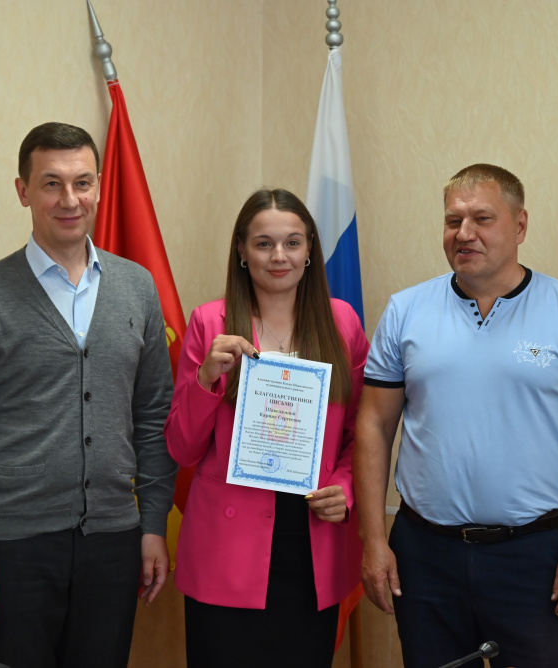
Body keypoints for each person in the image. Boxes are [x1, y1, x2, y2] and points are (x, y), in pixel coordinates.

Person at [354, 164, 558, 668]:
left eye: (482, 218)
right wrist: (373, 540)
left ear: (520, 225)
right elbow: (374, 425)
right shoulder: (405, 311)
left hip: (535, 558)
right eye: (452, 220)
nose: (464, 233)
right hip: (424, 553)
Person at [0, 122, 177, 668]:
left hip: (114, 541)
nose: (70, 199)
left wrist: (153, 525)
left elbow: (152, 415)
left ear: (98, 187)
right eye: (51, 184)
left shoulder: (137, 286)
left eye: (82, 182)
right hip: (12, 550)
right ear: (23, 191)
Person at [165, 188, 369, 668]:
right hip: (226, 550)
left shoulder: (342, 322)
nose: (280, 256)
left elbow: (362, 433)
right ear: (241, 250)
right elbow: (181, 448)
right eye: (263, 243)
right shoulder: (209, 322)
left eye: (293, 242)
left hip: (312, 543)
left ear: (310, 249)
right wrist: (206, 379)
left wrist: (345, 488)